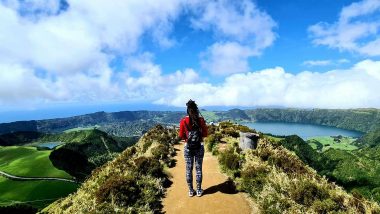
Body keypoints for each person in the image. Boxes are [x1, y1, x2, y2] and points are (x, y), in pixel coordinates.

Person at [179, 99, 208, 197]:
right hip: (199, 147)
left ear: (188, 110)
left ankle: (191, 191)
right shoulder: (201, 120)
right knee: (198, 169)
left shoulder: (183, 121)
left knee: (188, 169)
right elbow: (205, 134)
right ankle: (199, 190)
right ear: (196, 110)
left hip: (188, 148)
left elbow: (181, 135)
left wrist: (187, 139)